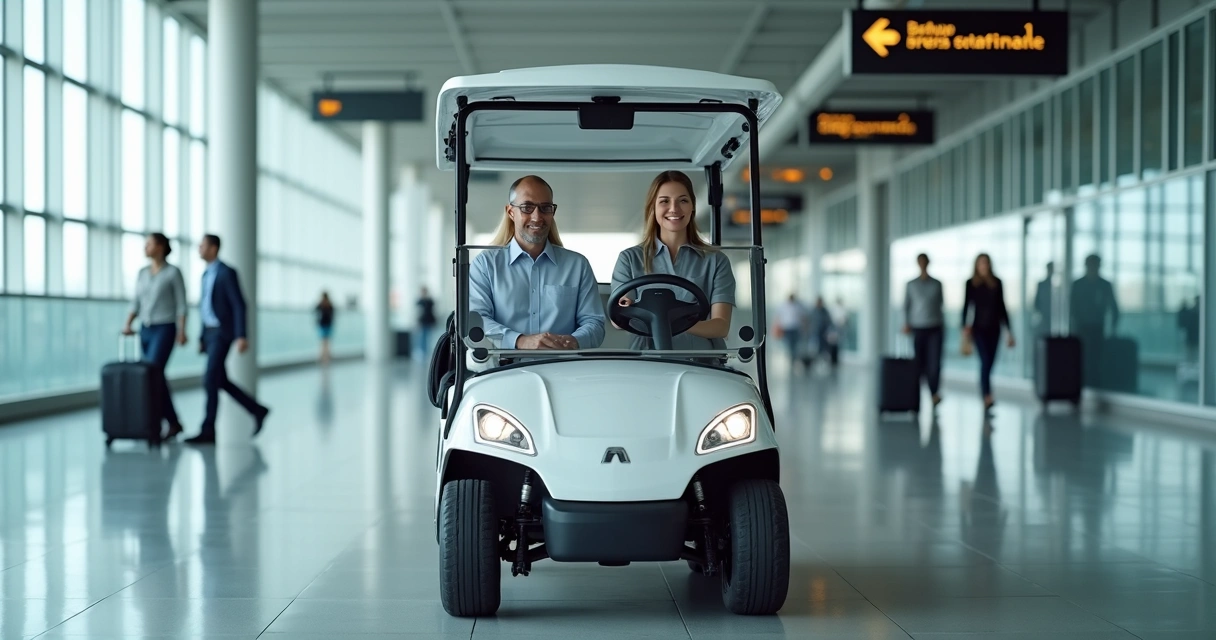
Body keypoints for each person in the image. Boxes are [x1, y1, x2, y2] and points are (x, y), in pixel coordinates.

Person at [468, 175, 605, 351]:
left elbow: (594, 322)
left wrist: (573, 342)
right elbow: (477, 320)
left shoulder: (577, 265)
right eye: (527, 207)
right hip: (503, 370)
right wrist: (520, 341)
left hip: (564, 369)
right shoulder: (486, 265)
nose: (537, 217)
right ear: (511, 212)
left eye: (545, 208)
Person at [611, 170, 735, 352]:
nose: (674, 209)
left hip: (702, 364)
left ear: (692, 206)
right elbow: (619, 320)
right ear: (653, 208)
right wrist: (671, 319)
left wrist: (664, 320)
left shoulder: (716, 261)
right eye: (664, 201)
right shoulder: (629, 259)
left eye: (683, 200)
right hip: (646, 363)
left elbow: (721, 326)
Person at [186, 234, 270, 445]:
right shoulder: (205, 275)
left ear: (214, 248)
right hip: (210, 334)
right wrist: (201, 337)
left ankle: (208, 430)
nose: (199, 249)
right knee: (220, 381)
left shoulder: (227, 273)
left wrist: (242, 335)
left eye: (202, 245)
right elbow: (204, 308)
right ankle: (257, 410)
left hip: (223, 334)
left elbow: (239, 305)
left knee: (209, 379)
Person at [122, 232, 188, 441]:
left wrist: (182, 330)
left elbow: (181, 305)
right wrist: (128, 323)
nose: (145, 248)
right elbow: (136, 302)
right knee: (153, 376)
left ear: (160, 247)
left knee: (153, 372)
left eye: (149, 244)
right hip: (146, 328)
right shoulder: (142, 272)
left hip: (165, 328)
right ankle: (173, 421)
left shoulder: (173, 273)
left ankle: (157, 423)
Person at [961, 253, 1015, 412]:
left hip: (995, 328)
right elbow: (966, 306)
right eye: (981, 263)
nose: (983, 266)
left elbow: (1002, 308)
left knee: (990, 362)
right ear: (977, 266)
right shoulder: (971, 283)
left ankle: (987, 393)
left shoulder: (997, 283)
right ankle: (987, 395)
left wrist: (1009, 331)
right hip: (978, 329)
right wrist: (964, 327)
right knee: (985, 361)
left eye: (986, 263)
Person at [902, 253, 945, 408]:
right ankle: (915, 397)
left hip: (935, 327)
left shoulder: (937, 284)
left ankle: (934, 393)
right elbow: (906, 306)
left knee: (934, 364)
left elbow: (940, 305)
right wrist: (906, 323)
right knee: (918, 364)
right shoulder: (911, 284)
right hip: (917, 328)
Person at [774, 295, 808, 368]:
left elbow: (803, 317)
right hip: (787, 328)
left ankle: (794, 357)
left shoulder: (798, 306)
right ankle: (791, 357)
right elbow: (779, 317)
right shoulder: (783, 306)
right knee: (789, 344)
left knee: (795, 344)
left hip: (795, 328)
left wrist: (804, 328)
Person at [1033, 261, 1054, 337]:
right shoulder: (1042, 284)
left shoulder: (1058, 286)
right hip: (1044, 317)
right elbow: (1036, 302)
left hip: (1054, 317)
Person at [416, 286, 437, 358]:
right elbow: (418, 312)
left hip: (429, 321)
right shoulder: (420, 301)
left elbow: (433, 311)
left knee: (428, 336)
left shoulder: (429, 301)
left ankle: (427, 351)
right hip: (422, 322)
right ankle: (422, 352)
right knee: (422, 337)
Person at [315, 292, 335, 365]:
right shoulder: (323, 305)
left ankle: (325, 358)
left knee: (325, 342)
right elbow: (315, 309)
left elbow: (333, 314)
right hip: (324, 325)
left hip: (326, 325)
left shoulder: (329, 305)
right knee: (324, 342)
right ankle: (324, 358)